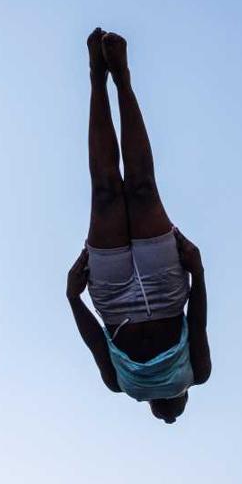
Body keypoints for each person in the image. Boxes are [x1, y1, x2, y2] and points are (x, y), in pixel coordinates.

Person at [67, 29, 211, 423]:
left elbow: (198, 317)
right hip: (129, 297)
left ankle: (113, 80)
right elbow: (94, 337)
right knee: (109, 191)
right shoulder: (124, 385)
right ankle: (104, 79)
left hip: (146, 296)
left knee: (140, 188)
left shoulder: (195, 375)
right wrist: (72, 297)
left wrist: (198, 271)